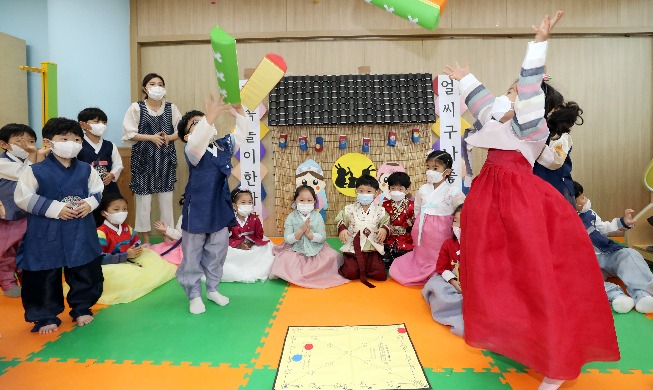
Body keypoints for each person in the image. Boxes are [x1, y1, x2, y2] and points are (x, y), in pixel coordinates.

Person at [444, 11, 619, 389]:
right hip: (490, 202)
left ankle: (556, 362)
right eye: (508, 91)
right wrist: (465, 80)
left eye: (515, 93)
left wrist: (537, 46)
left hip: (518, 202)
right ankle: (516, 338)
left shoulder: (530, 125)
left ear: (535, 105)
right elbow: (482, 102)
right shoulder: (498, 117)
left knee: (534, 279)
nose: (508, 96)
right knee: (498, 278)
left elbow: (526, 89)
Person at [14, 117, 104, 334]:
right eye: (64, 138)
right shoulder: (35, 170)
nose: (71, 143)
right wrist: (55, 208)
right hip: (46, 231)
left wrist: (90, 204)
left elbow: (98, 191)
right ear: (49, 142)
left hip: (80, 227)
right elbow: (22, 197)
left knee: (84, 269)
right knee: (44, 273)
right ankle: (45, 316)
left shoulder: (86, 169)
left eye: (75, 139)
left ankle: (82, 307)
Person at [175, 94, 246, 314]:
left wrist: (240, 111)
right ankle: (194, 294)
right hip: (197, 208)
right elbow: (198, 142)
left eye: (204, 120)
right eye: (196, 123)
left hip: (219, 206)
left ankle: (213, 288)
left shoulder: (224, 145)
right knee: (193, 254)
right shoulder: (192, 151)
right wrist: (210, 117)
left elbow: (242, 135)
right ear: (186, 136)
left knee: (218, 250)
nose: (205, 123)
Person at [573, 181, 653, 314]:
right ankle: (616, 296)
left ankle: (643, 295)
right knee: (579, 280)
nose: (586, 199)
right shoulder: (562, 221)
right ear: (573, 203)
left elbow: (604, 228)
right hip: (587, 264)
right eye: (582, 198)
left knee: (629, 254)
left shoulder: (589, 214)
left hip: (607, 252)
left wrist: (623, 223)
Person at [389, 151, 464, 286]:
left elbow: (461, 208)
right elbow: (417, 207)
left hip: (442, 230)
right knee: (422, 255)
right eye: (428, 168)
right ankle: (419, 269)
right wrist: (418, 223)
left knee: (439, 254)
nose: (430, 171)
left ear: (447, 171)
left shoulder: (453, 190)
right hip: (422, 229)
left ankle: (440, 270)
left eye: (435, 168)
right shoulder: (423, 189)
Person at [122, 73, 181, 245]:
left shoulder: (171, 108)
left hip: (165, 160)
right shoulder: (136, 108)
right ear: (144, 88)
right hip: (143, 161)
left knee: (166, 201)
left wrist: (169, 137)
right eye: (152, 83)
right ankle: (145, 239)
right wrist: (151, 137)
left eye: (160, 84)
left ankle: (166, 237)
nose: (157, 87)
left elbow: (182, 129)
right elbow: (129, 133)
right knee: (143, 202)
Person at [93, 192, 176, 304]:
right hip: (111, 265)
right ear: (104, 213)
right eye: (116, 210)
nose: (121, 213)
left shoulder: (128, 228)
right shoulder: (101, 232)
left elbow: (136, 242)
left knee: (153, 259)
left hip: (130, 259)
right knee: (121, 275)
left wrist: (136, 249)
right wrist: (125, 255)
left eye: (124, 209)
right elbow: (100, 258)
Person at [270, 185, 348, 288]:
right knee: (283, 260)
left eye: (309, 200)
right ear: (295, 201)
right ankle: (302, 274)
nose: (305, 203)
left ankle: (315, 274)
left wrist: (310, 235)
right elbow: (288, 239)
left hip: (316, 248)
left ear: (314, 202)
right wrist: (300, 231)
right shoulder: (291, 217)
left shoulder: (318, 216)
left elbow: (322, 237)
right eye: (301, 200)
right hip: (296, 248)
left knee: (333, 257)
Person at [0, 124, 43, 297]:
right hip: (8, 215)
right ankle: (8, 283)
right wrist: (35, 155)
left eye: (31, 141)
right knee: (6, 250)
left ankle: (29, 281)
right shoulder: (2, 163)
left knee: (28, 249)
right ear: (5, 144)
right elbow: (27, 174)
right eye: (20, 141)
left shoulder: (33, 159)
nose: (26, 145)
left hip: (29, 213)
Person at [335, 175, 390, 288]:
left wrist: (384, 229)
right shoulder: (348, 209)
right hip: (354, 249)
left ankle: (365, 269)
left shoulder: (381, 211)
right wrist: (342, 229)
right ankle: (351, 266)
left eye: (369, 191)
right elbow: (340, 220)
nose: (365, 194)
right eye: (361, 191)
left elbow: (386, 222)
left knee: (380, 275)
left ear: (376, 192)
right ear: (356, 191)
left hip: (372, 248)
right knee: (350, 273)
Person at [533, 93, 584, 207]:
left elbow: (555, 160)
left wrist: (534, 143)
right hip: (539, 187)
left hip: (557, 188)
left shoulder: (562, 137)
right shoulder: (540, 133)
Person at [422, 204, 464, 337]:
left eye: (463, 222)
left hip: (474, 285)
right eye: (456, 221)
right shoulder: (448, 244)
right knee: (436, 285)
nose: (458, 226)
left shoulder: (482, 244)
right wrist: (452, 281)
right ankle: (449, 309)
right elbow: (442, 267)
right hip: (453, 279)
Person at [224, 189, 275, 282]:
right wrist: (238, 245)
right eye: (243, 202)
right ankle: (237, 270)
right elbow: (225, 237)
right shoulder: (229, 220)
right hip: (234, 244)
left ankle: (254, 269)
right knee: (225, 252)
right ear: (235, 206)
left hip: (251, 243)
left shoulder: (255, 219)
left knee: (266, 249)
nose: (247, 205)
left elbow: (259, 235)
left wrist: (252, 243)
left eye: (250, 202)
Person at [77, 107, 123, 196]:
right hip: (85, 190)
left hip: (108, 189)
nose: (101, 125)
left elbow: (118, 165)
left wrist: (112, 175)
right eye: (96, 122)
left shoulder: (110, 145)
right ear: (83, 125)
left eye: (104, 122)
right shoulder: (78, 145)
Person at [381, 172, 414, 269]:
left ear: (407, 190)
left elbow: (418, 222)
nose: (396, 191)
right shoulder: (384, 205)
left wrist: (412, 223)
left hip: (406, 241)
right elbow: (380, 221)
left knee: (406, 265)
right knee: (384, 263)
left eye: (400, 189)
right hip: (389, 241)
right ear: (389, 189)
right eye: (393, 188)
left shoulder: (412, 205)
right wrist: (385, 226)